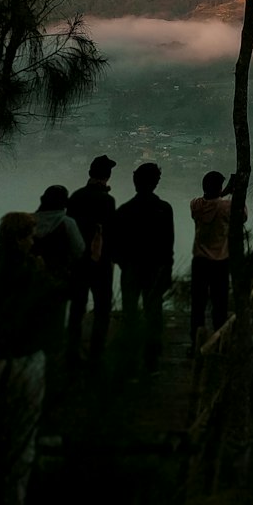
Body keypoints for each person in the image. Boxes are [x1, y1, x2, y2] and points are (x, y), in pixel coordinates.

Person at [0, 212, 59, 505]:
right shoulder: (33, 274)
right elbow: (50, 309)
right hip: (25, 358)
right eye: (29, 237)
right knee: (23, 433)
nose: (33, 243)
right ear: (20, 240)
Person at [112, 162, 174, 372]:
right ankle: (151, 360)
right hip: (155, 269)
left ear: (135, 181)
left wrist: (124, 264)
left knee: (130, 315)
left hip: (131, 269)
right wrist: (167, 271)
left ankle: (129, 360)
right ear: (156, 182)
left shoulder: (125, 210)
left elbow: (116, 244)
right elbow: (168, 245)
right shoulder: (163, 209)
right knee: (153, 314)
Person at [67, 153, 117, 366]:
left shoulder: (76, 196)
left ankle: (72, 351)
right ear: (107, 177)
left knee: (77, 307)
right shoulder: (107, 200)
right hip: (101, 262)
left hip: (78, 260)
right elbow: (110, 232)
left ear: (90, 173)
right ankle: (96, 353)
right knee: (102, 308)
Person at [32, 185, 85, 363]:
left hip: (33, 279)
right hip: (59, 279)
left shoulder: (30, 221)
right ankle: (53, 361)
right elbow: (79, 250)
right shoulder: (67, 222)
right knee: (56, 321)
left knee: (35, 319)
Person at [190, 171, 237, 352]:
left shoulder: (196, 205)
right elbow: (243, 215)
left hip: (200, 262)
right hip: (220, 262)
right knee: (220, 303)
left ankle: (195, 341)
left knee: (198, 304)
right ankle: (218, 342)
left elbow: (208, 201)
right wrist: (230, 192)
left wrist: (222, 193)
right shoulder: (227, 207)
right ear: (220, 187)